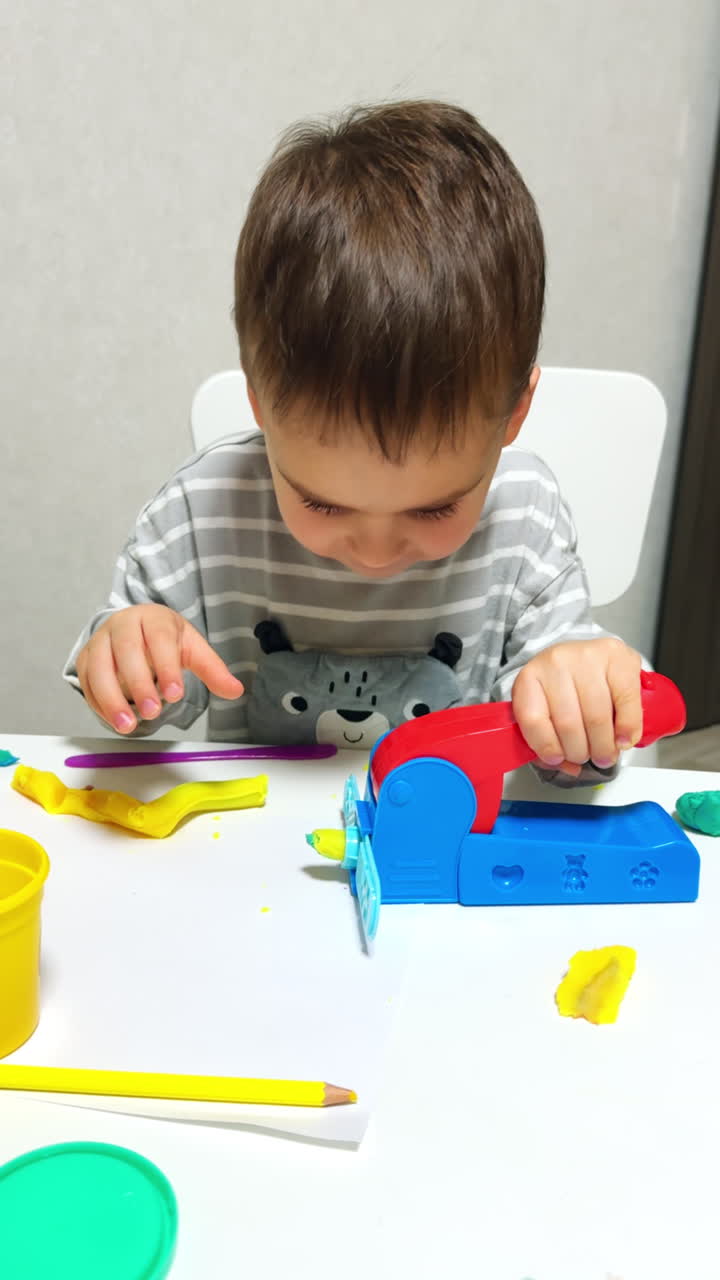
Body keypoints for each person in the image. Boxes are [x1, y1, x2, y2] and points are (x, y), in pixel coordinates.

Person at [64, 100, 642, 780]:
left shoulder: (526, 519)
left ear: (515, 413)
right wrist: (129, 659)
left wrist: (581, 707)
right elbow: (145, 720)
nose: (375, 551)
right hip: (259, 861)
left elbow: (574, 761)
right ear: (260, 403)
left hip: (448, 856)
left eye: (432, 510)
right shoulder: (203, 512)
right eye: (324, 504)